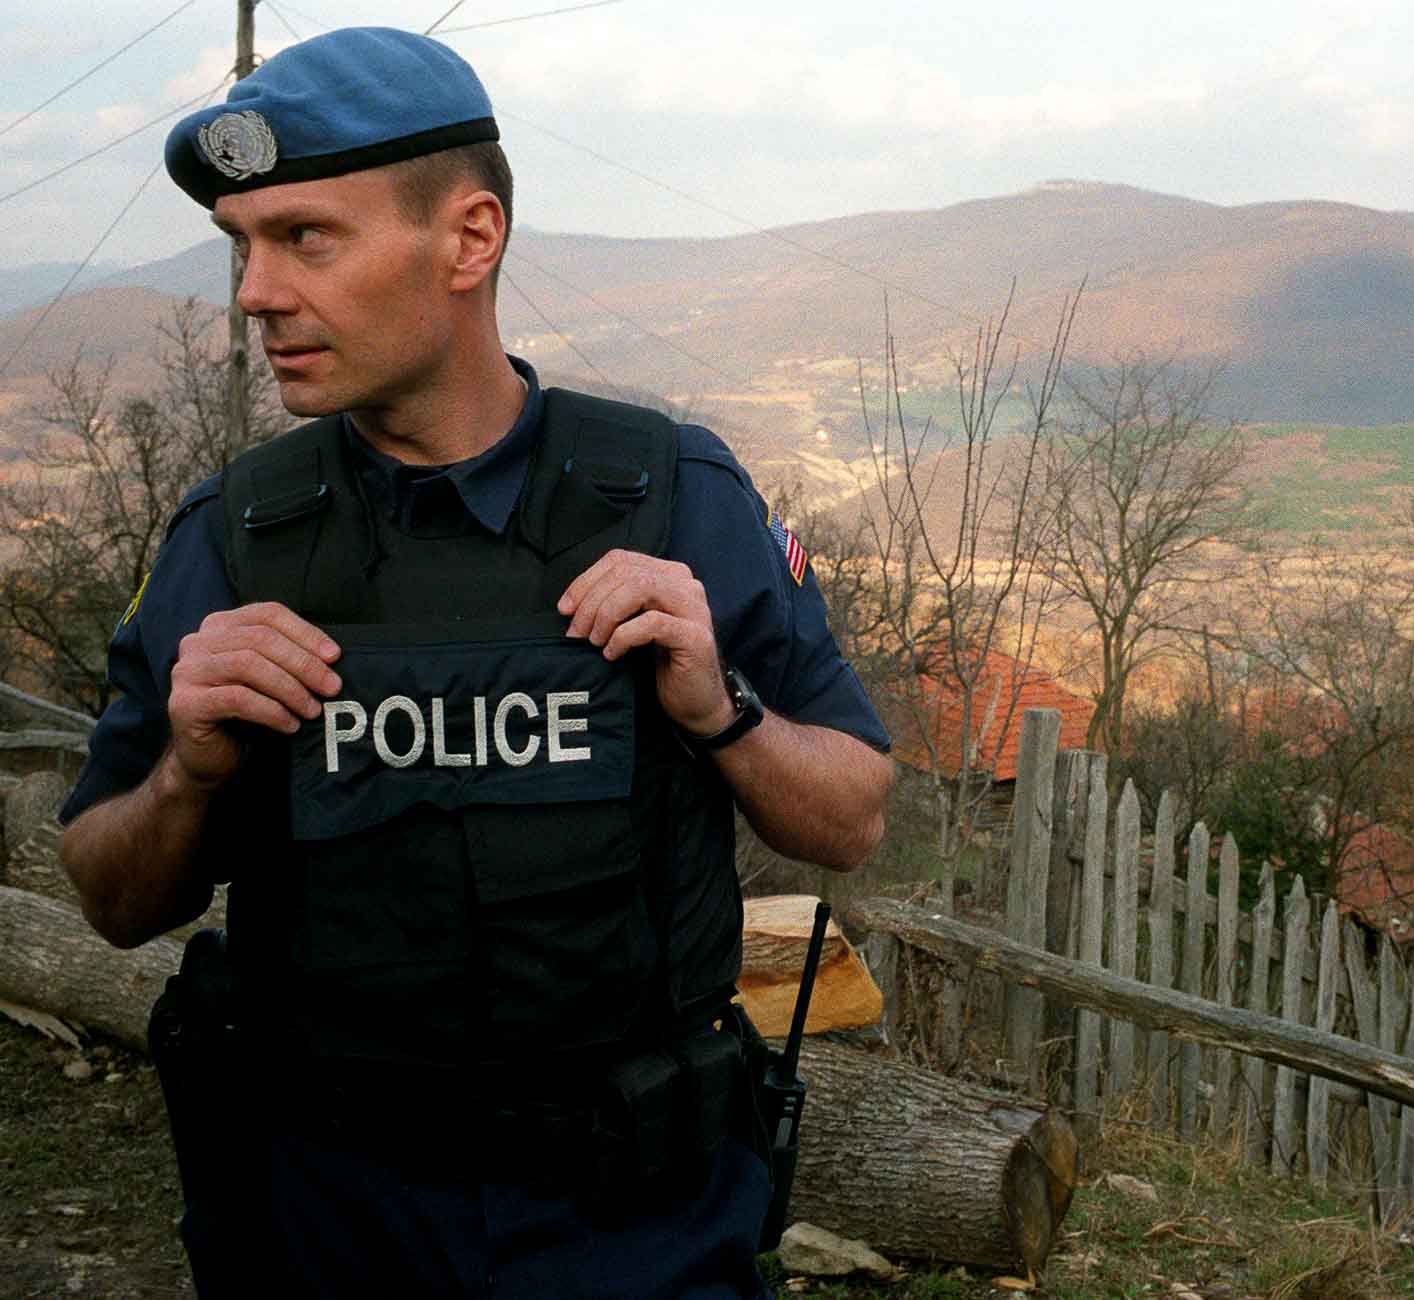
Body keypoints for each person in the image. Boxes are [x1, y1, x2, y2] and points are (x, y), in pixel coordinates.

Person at [56, 26, 893, 1300]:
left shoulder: (677, 496)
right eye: (245, 245)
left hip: (634, 1230)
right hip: (320, 1223)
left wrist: (720, 709)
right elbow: (111, 899)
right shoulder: (232, 538)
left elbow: (852, 817)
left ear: (469, 239)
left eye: (306, 238)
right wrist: (187, 772)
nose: (255, 293)